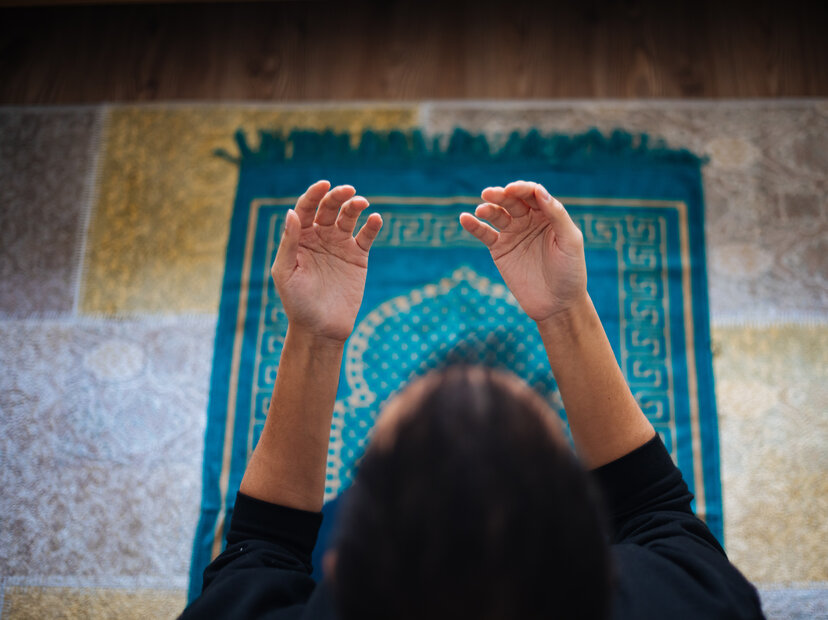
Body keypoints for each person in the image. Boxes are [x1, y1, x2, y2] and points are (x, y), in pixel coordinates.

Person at [180, 180, 764, 619]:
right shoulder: (696, 601)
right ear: (597, 552)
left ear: (335, 567)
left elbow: (260, 551)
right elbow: (653, 511)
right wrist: (564, 311)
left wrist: (314, 335)